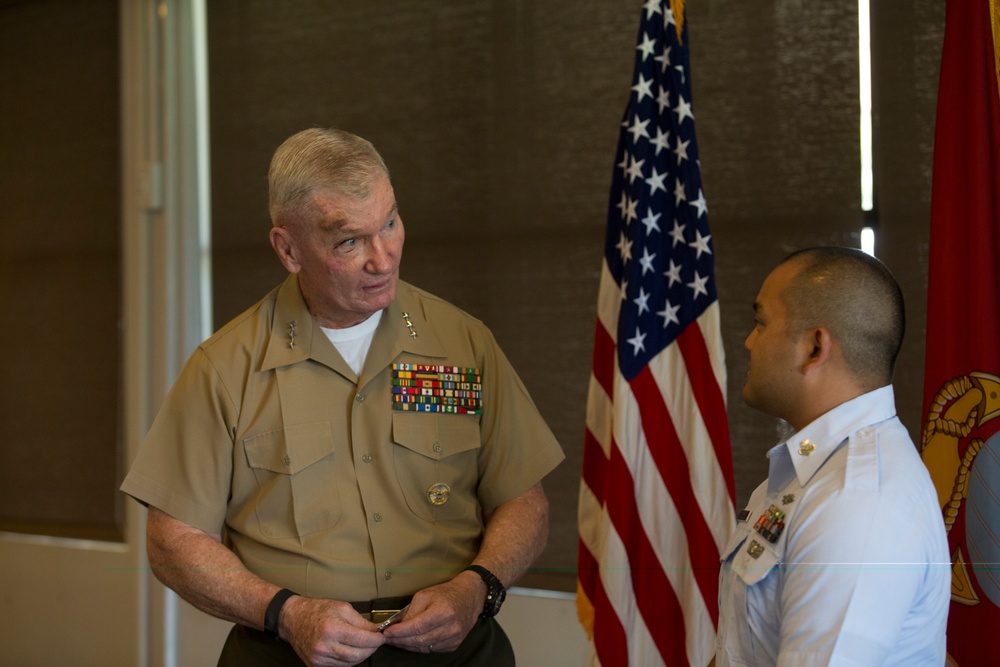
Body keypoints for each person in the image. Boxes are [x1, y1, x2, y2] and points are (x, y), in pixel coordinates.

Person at [121, 127, 565, 666]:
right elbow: (172, 541)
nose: (383, 259)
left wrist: (477, 588)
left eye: (391, 223)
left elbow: (524, 500)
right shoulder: (224, 369)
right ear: (288, 249)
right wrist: (285, 612)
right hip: (289, 651)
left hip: (457, 650)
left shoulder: (464, 344)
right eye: (349, 241)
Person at [715, 247, 950, 666]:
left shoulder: (856, 500)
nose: (748, 341)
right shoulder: (808, 465)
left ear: (814, 348)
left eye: (760, 322)